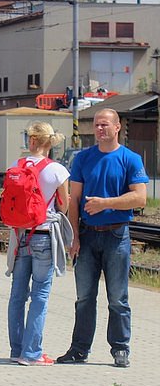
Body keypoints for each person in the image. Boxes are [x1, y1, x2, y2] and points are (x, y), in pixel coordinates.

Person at [56, 108, 148, 368]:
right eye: (96, 125)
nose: (100, 129)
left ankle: (120, 348)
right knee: (84, 297)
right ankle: (79, 349)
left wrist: (105, 203)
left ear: (117, 127)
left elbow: (139, 197)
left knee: (118, 297)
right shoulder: (84, 158)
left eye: (105, 125)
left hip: (117, 236)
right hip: (86, 236)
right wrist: (73, 236)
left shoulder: (130, 159)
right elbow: (74, 201)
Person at [5, 122, 72, 366]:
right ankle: (32, 353)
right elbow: (64, 205)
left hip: (20, 236)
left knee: (17, 296)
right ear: (49, 143)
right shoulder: (57, 170)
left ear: (32, 140)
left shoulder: (16, 166)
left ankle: (16, 349)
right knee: (40, 296)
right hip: (44, 236)